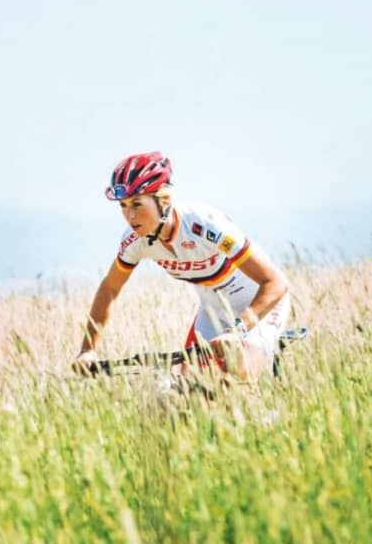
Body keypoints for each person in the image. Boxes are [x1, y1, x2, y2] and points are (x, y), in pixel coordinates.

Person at [73, 151, 291, 381]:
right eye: (124, 205)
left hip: (260, 305)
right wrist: (88, 350)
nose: (130, 214)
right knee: (191, 392)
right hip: (213, 311)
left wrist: (238, 330)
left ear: (164, 200)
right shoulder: (135, 241)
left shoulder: (206, 225)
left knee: (237, 376)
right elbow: (110, 289)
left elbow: (275, 282)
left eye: (137, 203)